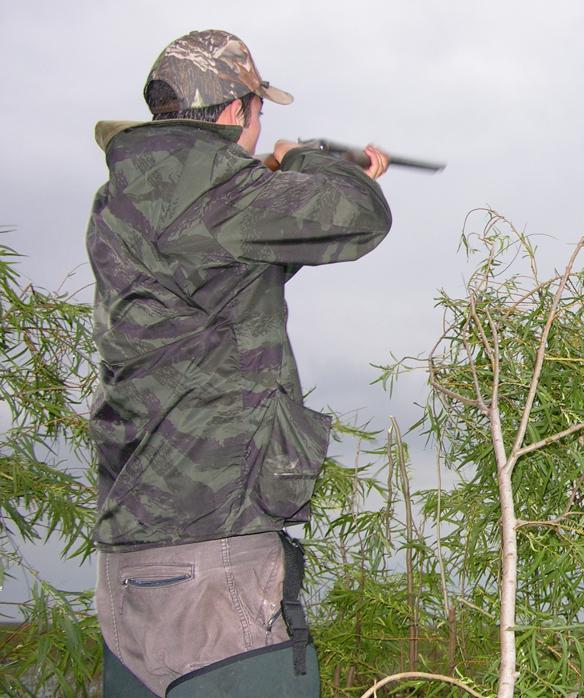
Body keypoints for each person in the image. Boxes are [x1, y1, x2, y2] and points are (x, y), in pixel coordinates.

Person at [86, 29, 393, 696]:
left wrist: (277, 174)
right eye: (259, 109)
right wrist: (323, 166)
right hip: (214, 554)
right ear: (233, 111)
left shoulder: (119, 201)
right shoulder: (224, 194)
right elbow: (357, 216)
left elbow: (222, 276)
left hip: (130, 562)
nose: (261, 124)